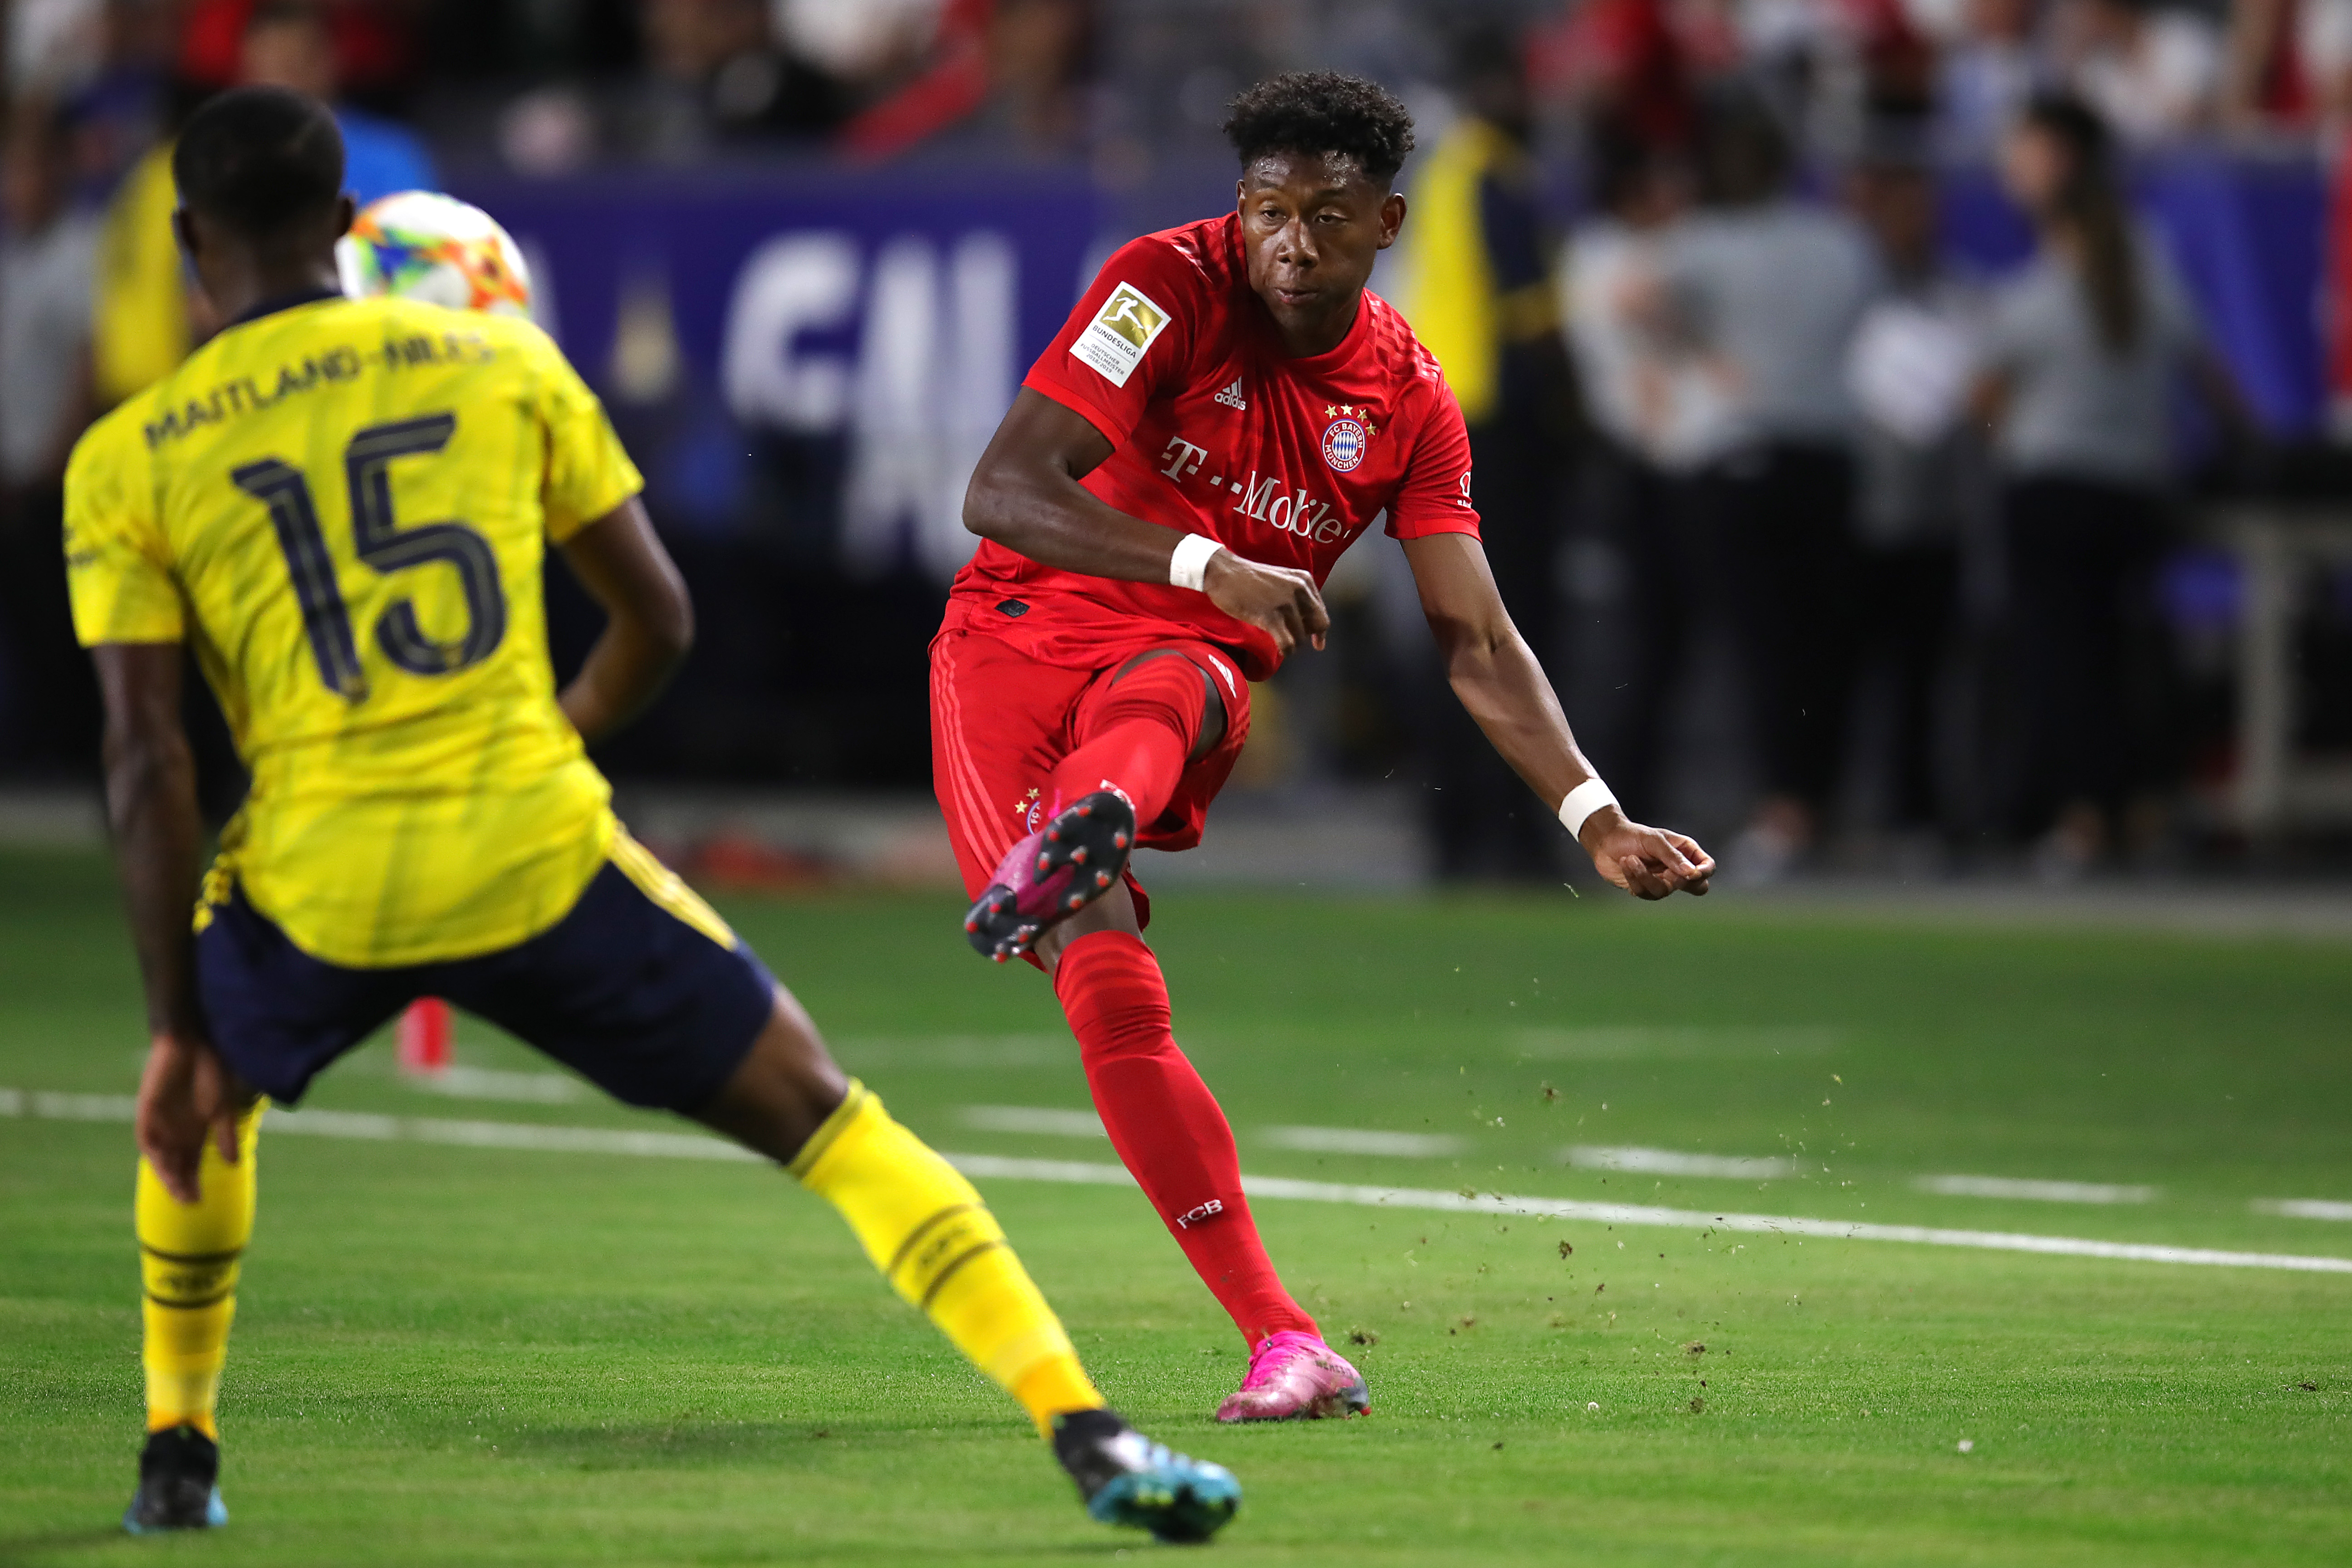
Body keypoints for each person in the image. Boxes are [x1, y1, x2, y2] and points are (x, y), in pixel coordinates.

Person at [68, 85, 1235, 1543]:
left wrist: (183, 1025)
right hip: (532, 847)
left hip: (313, 870)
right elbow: (661, 621)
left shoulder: (130, 457)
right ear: (344, 225)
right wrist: (544, 732)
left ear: (189, 241)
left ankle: (178, 1452)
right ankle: (1088, 1431)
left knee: (194, 1120)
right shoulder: (497, 366)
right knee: (830, 1120)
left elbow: (144, 765)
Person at [936, 70, 1715, 1424]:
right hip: (1011, 642)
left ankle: (1282, 1336)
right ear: (1240, 209)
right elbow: (1001, 488)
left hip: (1177, 671)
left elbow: (1476, 639)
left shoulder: (1411, 402)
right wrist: (1206, 556)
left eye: (1329, 218)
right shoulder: (1161, 287)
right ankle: (1286, 1334)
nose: (1292, 243)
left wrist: (1595, 815)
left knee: (1182, 680)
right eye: (1269, 212)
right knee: (1105, 987)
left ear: (1388, 224)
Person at [1973, 92, 2251, 874]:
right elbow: (2213, 383)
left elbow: (1983, 405)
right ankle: (2138, 808)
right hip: (2133, 494)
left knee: (2064, 663)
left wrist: (2004, 438)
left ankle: (2083, 818)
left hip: (2050, 492)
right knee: (2127, 657)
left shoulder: (2034, 289)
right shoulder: (2149, 265)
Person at [1655, 92, 1878, 880]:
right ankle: (1815, 803)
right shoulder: (1839, 242)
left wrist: (1704, 348)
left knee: (1763, 646)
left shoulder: (1698, 243)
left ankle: (1783, 810)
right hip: (1828, 453)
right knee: (1822, 643)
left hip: (1743, 454)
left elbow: (1644, 306)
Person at [1396, 25, 1583, 881]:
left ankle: (1456, 832)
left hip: (1442, 429)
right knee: (1509, 638)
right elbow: (1533, 321)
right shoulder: (1494, 178)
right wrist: (1577, 421)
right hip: (1493, 433)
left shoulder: (1446, 173)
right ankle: (1508, 833)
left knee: (1462, 636)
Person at [1843, 122, 1986, 852]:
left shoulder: (1955, 291)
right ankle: (1865, 811)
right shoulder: (1845, 290)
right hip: (1859, 512)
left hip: (1935, 515)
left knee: (1930, 674)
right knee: (1860, 675)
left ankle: (1919, 814)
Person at [0, 98, 101, 774]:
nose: (18, 183)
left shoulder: (82, 252)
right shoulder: (9, 256)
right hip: (7, 471)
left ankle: (74, 752)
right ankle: (28, 746)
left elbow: (88, 365)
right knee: (20, 626)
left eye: (30, 167)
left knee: (63, 623)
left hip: (53, 475)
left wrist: (51, 462)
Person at [238, 1, 436, 203]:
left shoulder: (390, 154)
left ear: (332, 60)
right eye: (273, 67)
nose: (286, 83)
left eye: (298, 64)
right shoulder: (223, 157)